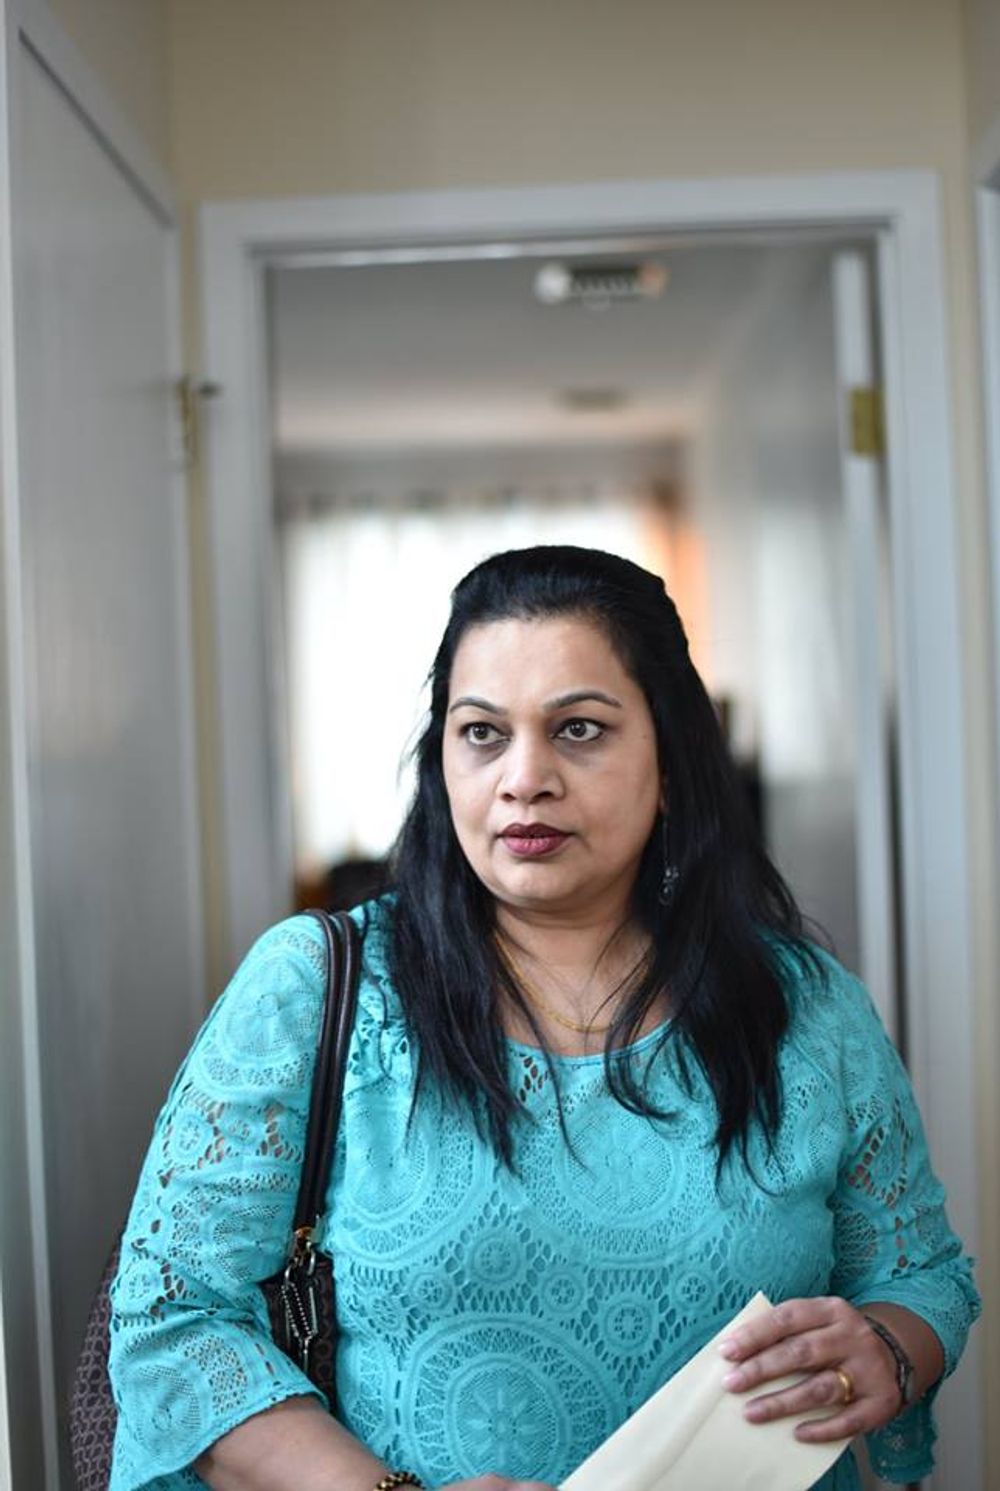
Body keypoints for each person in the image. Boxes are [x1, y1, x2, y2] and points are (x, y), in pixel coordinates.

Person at [108, 545, 980, 1491]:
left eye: (579, 729)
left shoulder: (804, 1006)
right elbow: (173, 1317)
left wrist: (886, 1348)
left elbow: (922, 1275)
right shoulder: (317, 989)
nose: (525, 778)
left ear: (671, 762)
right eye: (483, 733)